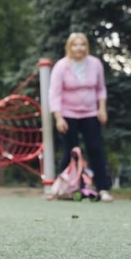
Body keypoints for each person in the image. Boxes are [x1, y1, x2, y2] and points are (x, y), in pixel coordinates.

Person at [49, 32, 113, 202]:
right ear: (69, 47)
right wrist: (58, 117)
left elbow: (101, 88)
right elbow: (54, 94)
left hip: (91, 113)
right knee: (71, 153)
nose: (79, 48)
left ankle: (103, 189)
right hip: (68, 114)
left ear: (87, 46)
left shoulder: (95, 64)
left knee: (95, 149)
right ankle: (64, 189)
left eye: (82, 44)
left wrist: (102, 109)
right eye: (75, 45)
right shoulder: (61, 66)